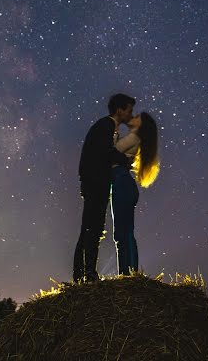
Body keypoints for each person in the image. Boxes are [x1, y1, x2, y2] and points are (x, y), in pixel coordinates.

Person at [73, 93, 136, 283]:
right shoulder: (106, 125)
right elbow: (105, 153)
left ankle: (84, 274)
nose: (130, 114)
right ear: (119, 110)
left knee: (92, 227)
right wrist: (125, 161)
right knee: (92, 228)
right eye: (128, 110)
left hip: (95, 183)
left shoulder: (109, 128)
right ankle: (86, 274)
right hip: (95, 184)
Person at [111, 111, 159, 275]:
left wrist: (115, 129)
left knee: (121, 234)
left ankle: (125, 274)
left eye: (137, 117)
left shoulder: (133, 137)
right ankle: (131, 273)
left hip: (121, 182)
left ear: (141, 124)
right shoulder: (136, 139)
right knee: (127, 232)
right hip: (125, 184)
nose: (133, 117)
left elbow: (112, 151)